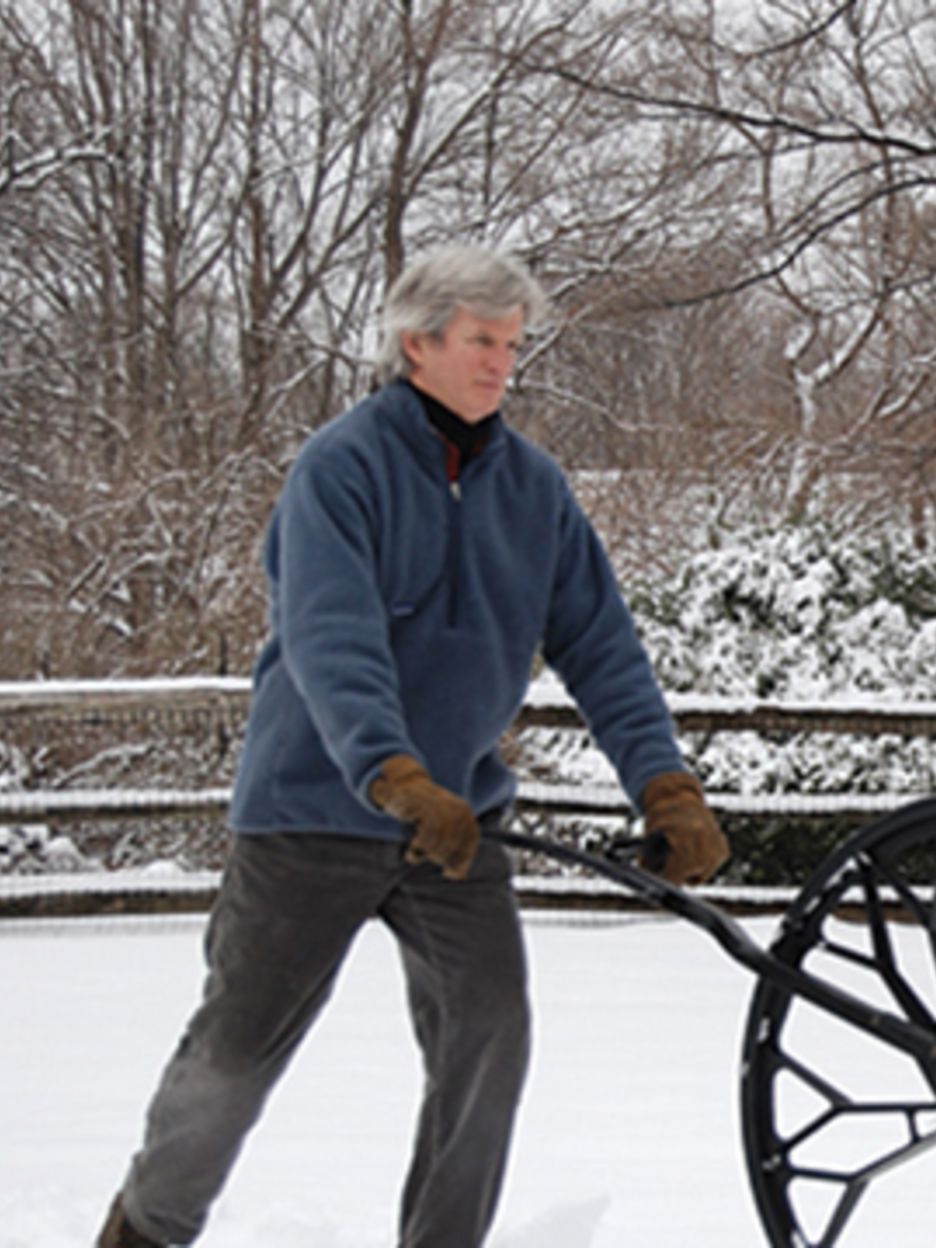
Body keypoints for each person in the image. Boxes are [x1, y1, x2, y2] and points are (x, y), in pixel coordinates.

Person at [98, 244, 729, 1248]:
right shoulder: (340, 469)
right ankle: (142, 1234)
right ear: (417, 342)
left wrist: (663, 784)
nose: (500, 365)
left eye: (512, 346)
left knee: (489, 1039)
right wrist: (390, 772)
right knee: (235, 1057)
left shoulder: (534, 492)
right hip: (311, 818)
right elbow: (330, 637)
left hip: (456, 832)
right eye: (482, 342)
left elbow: (602, 645)